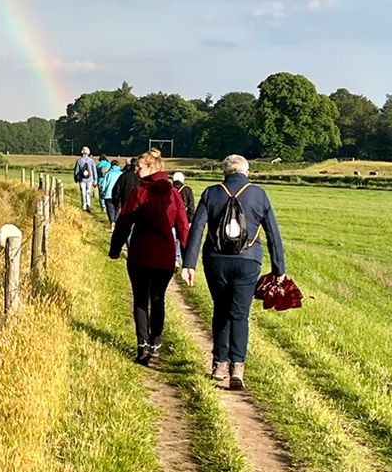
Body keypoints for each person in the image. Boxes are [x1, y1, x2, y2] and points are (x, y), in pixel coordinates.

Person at [180, 153, 286, 390]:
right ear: (247, 172)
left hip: (216, 260)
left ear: (224, 172)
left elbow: (196, 229)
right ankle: (238, 368)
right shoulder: (259, 194)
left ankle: (219, 365)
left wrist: (189, 264)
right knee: (240, 313)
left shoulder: (211, 192)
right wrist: (279, 269)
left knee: (220, 310)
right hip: (248, 261)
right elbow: (273, 236)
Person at [110, 149, 190, 365]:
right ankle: (156, 342)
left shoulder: (139, 194)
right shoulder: (174, 194)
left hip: (140, 254)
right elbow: (183, 226)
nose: (136, 170)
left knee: (140, 299)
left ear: (152, 168)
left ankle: (142, 344)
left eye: (140, 167)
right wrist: (188, 257)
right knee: (158, 299)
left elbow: (124, 223)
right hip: (165, 256)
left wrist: (115, 248)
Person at [97, 155, 124, 224]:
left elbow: (104, 185)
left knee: (110, 209)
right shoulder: (122, 174)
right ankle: (116, 221)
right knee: (118, 209)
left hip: (108, 194)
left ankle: (112, 221)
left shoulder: (108, 174)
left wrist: (102, 193)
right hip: (119, 195)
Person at [73, 146, 97, 211]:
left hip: (82, 179)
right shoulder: (91, 161)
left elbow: (76, 171)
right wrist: (95, 180)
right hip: (90, 179)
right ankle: (88, 204)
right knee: (88, 192)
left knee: (83, 192)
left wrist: (76, 179)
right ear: (88, 153)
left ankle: (84, 206)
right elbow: (94, 171)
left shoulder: (79, 161)